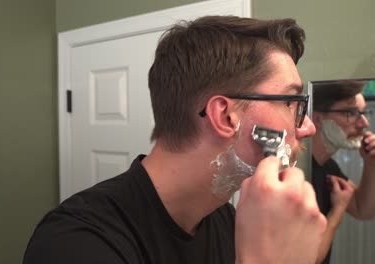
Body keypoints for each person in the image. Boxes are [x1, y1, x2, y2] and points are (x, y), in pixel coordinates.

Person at [23, 15, 327, 264]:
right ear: (225, 116)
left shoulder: (226, 219)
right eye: (291, 102)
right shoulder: (76, 243)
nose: (308, 127)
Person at [311, 80, 375, 264]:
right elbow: (308, 258)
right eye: (351, 113)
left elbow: (363, 209)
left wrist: (371, 163)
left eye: (363, 113)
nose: (364, 123)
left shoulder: (329, 167)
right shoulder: (298, 169)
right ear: (318, 119)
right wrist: (338, 209)